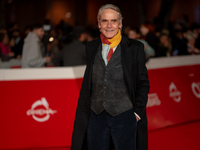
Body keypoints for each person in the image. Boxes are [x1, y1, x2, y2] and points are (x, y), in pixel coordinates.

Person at [71, 4, 150, 150]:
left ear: (120, 23)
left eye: (113, 21)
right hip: (96, 116)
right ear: (99, 23)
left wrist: (137, 113)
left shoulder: (135, 48)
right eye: (104, 21)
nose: (109, 25)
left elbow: (143, 83)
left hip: (125, 115)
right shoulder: (91, 47)